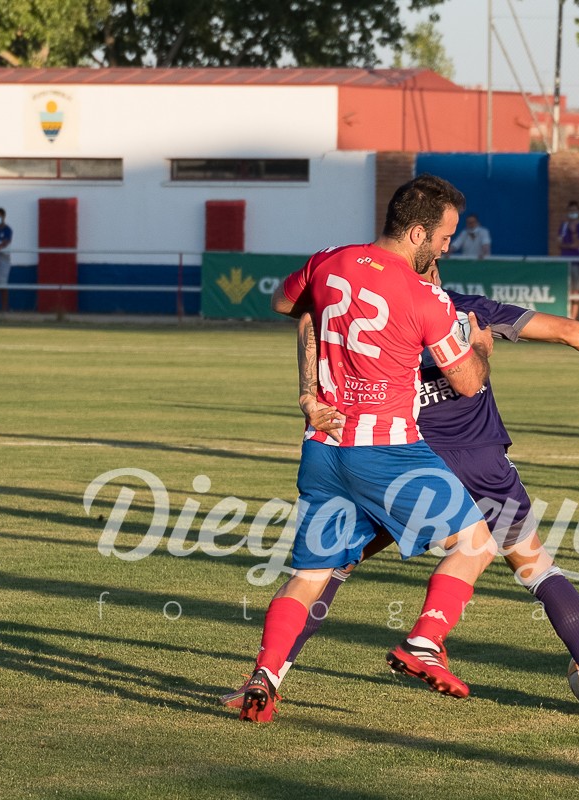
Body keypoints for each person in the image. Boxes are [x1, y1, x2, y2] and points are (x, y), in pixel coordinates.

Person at [221, 258, 579, 721]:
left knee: (328, 570)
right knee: (536, 568)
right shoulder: (467, 309)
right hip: (477, 465)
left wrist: (307, 396)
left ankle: (269, 675)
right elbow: (567, 330)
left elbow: (307, 322)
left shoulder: (363, 312)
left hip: (394, 467)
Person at [235, 174, 501, 723]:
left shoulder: (327, 261)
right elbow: (469, 383)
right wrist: (479, 344)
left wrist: (308, 391)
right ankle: (426, 640)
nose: (449, 247)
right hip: (388, 451)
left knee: (311, 575)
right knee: (476, 542)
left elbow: (292, 306)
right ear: (418, 232)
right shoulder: (424, 295)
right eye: (445, 236)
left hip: (323, 448)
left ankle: (263, 677)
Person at [558, 200, 579, 319]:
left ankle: (573, 317)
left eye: (574, 210)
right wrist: (569, 245)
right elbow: (559, 243)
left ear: (578, 211)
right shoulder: (564, 226)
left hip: (576, 263)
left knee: (576, 291)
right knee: (566, 290)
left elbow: (578, 243)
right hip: (564, 263)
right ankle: (565, 316)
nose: (572, 213)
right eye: (570, 210)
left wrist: (570, 241)